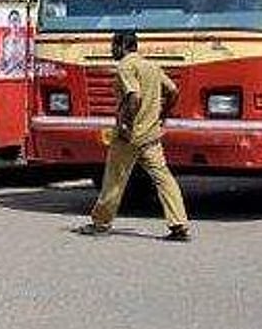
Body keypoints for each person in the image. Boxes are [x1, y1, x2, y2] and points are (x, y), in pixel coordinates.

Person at [78, 31, 191, 241]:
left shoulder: (125, 66)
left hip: (129, 136)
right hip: (150, 135)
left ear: (122, 45)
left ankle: (101, 223)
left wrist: (126, 124)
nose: (111, 50)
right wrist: (162, 116)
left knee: (114, 179)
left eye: (113, 45)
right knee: (163, 178)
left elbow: (134, 96)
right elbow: (173, 91)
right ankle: (179, 224)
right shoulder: (150, 66)